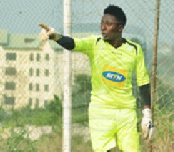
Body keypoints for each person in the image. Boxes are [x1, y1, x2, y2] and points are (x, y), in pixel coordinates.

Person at [39, 4, 154, 152]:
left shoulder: (134, 49)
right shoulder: (95, 44)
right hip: (100, 111)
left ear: (120, 28)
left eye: (109, 24)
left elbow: (143, 82)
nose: (103, 27)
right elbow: (72, 43)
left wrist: (147, 114)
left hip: (127, 112)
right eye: (102, 23)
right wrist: (55, 36)